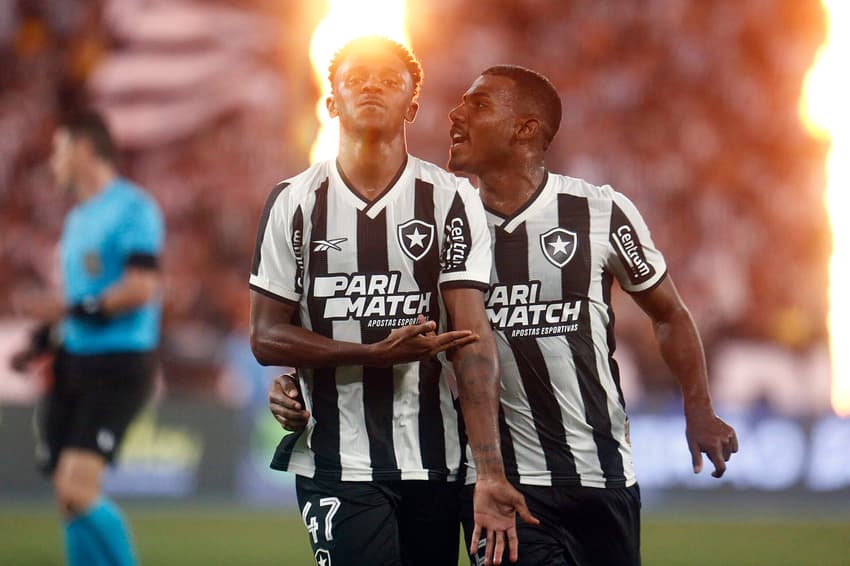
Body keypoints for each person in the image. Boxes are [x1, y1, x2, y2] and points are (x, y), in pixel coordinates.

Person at [271, 64, 739, 566]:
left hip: (603, 473)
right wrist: (298, 380)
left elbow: (668, 313)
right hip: (497, 483)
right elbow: (376, 317)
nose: (455, 114)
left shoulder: (600, 212)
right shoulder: (436, 221)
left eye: (478, 105)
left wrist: (698, 408)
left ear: (526, 129)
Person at [249, 36, 534, 566]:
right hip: (337, 461)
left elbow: (472, 343)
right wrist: (371, 354)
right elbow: (265, 337)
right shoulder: (293, 201)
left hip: (437, 461)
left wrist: (489, 470)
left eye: (388, 79)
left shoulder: (451, 197)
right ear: (330, 101)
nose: (372, 87)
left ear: (413, 104)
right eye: (356, 79)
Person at [11, 109, 164, 566]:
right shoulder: (77, 220)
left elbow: (142, 288)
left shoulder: (134, 208)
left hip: (118, 364)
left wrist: (68, 309)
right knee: (67, 498)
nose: (53, 161)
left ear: (83, 149)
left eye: (59, 149)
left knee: (76, 489)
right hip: (73, 363)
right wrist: (43, 343)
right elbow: (79, 301)